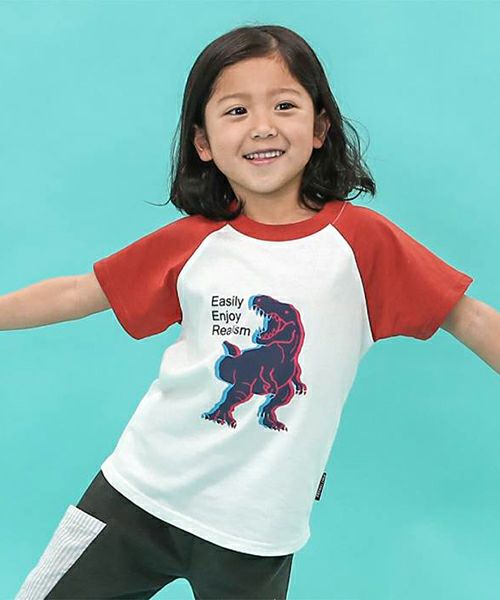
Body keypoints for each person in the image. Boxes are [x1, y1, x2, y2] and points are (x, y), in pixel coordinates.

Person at [8, 22, 498, 600]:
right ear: (203, 143)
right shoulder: (194, 242)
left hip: (257, 530)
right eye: (236, 111)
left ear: (320, 128)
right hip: (141, 494)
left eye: (284, 105)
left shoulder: (362, 245)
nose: (262, 126)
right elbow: (79, 292)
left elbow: (469, 317)